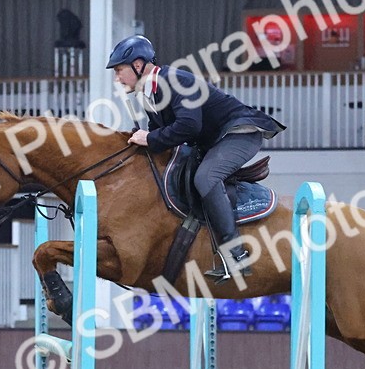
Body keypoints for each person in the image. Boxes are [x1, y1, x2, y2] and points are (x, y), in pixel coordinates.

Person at [107, 35, 285, 281]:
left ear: (138, 65)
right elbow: (161, 133)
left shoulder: (174, 80)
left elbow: (189, 126)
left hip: (240, 132)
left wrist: (150, 139)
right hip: (214, 139)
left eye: (119, 70)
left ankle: (236, 255)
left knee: (206, 178)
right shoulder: (149, 94)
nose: (117, 78)